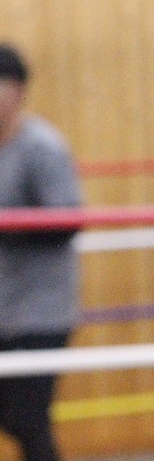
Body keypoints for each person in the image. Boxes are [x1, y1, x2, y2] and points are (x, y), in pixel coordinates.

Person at [0, 43, 82, 461]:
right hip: (4, 307)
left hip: (40, 311)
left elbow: (67, 221)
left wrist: (9, 226)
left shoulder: (42, 147)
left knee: (27, 420)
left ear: (16, 90)